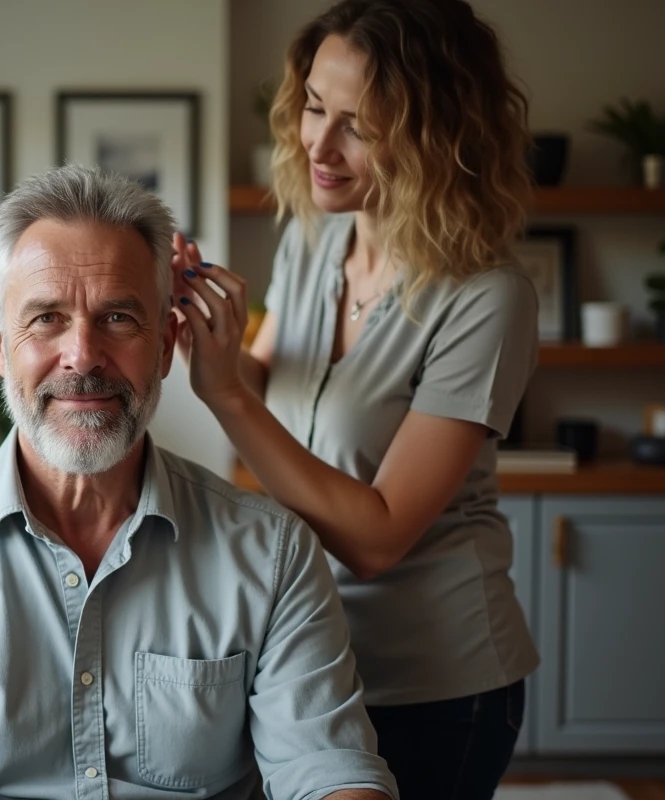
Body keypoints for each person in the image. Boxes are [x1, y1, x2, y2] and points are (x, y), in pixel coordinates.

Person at [0, 165, 397, 800]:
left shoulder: (274, 556)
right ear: (2, 345)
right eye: (47, 318)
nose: (82, 356)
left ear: (167, 343)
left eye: (117, 318)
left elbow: (328, 771)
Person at [171, 2, 539, 799]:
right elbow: (267, 390)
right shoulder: (315, 237)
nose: (319, 146)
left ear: (437, 138)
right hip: (310, 652)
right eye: (313, 107)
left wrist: (229, 392)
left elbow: (376, 537)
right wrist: (208, 335)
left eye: (359, 127)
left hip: (436, 681)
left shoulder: (488, 296)